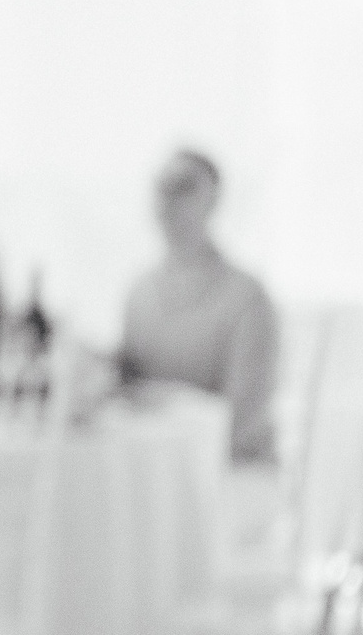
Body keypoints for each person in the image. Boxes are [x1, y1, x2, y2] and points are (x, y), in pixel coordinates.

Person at [119, 149, 281, 464]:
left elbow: (245, 415)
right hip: (156, 471)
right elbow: (127, 395)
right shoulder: (138, 294)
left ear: (213, 200)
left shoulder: (247, 298)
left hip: (233, 474)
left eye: (184, 188)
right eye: (161, 187)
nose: (170, 201)